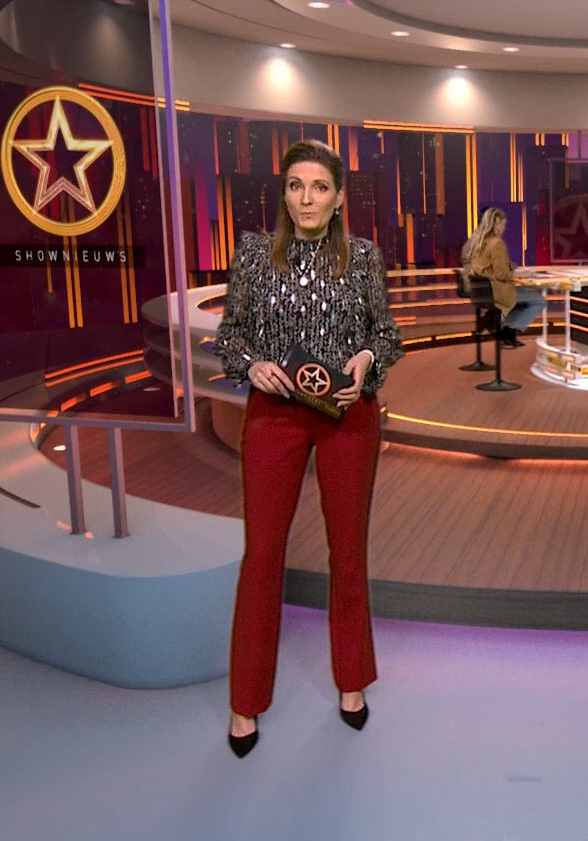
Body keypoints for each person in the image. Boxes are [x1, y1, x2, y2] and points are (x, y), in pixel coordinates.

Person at [211, 139, 403, 757]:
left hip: (348, 416)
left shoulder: (364, 257)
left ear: (339, 197)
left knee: (348, 552)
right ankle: (245, 700)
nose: (306, 198)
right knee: (262, 554)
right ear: (284, 194)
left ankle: (352, 681)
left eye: (319, 187)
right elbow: (230, 336)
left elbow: (385, 334)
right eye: (295, 186)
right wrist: (252, 364)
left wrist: (367, 360)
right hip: (275, 417)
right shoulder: (253, 255)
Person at [461, 207, 545, 348]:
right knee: (539, 300)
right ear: (496, 224)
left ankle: (505, 332)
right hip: (498, 291)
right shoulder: (497, 243)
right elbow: (501, 274)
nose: (504, 228)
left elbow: (490, 265)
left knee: (525, 298)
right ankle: (506, 329)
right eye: (503, 224)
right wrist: (518, 274)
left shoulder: (479, 242)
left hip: (483, 292)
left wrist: (512, 267)